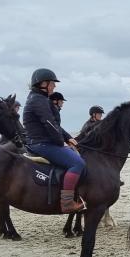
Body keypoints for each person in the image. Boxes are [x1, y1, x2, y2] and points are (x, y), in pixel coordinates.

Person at [23, 68, 86, 213]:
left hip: (42, 142)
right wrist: (61, 143)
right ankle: (67, 203)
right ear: (43, 83)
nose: (54, 86)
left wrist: (68, 137)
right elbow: (50, 125)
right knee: (78, 163)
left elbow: (55, 125)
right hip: (42, 144)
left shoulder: (39, 99)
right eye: (52, 83)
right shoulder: (38, 100)